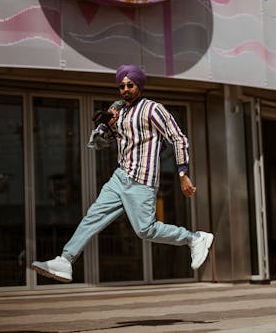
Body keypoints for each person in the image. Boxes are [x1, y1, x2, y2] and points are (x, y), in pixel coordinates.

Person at [32, 65, 214, 283]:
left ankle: (194, 238)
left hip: (142, 180)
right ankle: (65, 260)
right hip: (120, 177)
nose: (125, 89)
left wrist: (183, 173)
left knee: (145, 230)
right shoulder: (118, 110)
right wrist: (107, 126)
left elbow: (178, 138)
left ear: (140, 85)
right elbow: (97, 143)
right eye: (121, 86)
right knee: (93, 216)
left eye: (130, 85)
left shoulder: (152, 109)